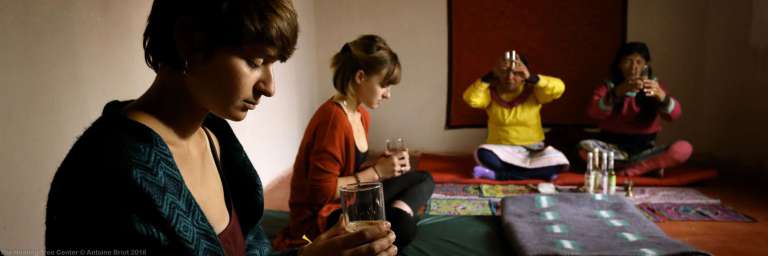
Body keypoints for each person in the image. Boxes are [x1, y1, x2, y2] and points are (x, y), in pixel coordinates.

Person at [45, 1, 397, 255]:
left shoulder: (214, 137)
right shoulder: (107, 175)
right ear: (189, 40)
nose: (269, 87)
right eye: (255, 61)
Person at [273, 35, 435, 251]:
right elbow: (323, 192)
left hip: (350, 200)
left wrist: (381, 165)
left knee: (423, 178)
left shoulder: (360, 115)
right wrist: (378, 172)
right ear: (360, 77)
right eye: (384, 85)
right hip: (322, 219)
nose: (388, 95)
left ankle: (396, 210)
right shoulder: (333, 120)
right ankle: (397, 215)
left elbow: (350, 171)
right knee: (403, 228)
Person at [579, 42, 692, 176]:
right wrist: (618, 92)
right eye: (628, 61)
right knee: (583, 148)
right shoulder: (609, 86)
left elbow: (675, 115)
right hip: (613, 150)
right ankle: (645, 168)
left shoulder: (654, 86)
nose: (634, 68)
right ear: (619, 64)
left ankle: (628, 169)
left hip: (644, 150)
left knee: (684, 148)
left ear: (646, 65)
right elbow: (593, 112)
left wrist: (662, 96)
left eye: (639, 62)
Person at [464, 50, 569, 181]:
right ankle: (536, 173)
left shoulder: (535, 91)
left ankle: (497, 175)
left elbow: (559, 88)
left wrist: (532, 78)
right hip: (501, 150)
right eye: (504, 72)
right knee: (483, 153)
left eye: (516, 73)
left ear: (524, 74)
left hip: (532, 151)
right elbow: (471, 99)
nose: (509, 77)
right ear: (497, 74)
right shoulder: (490, 92)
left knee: (559, 161)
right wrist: (488, 77)